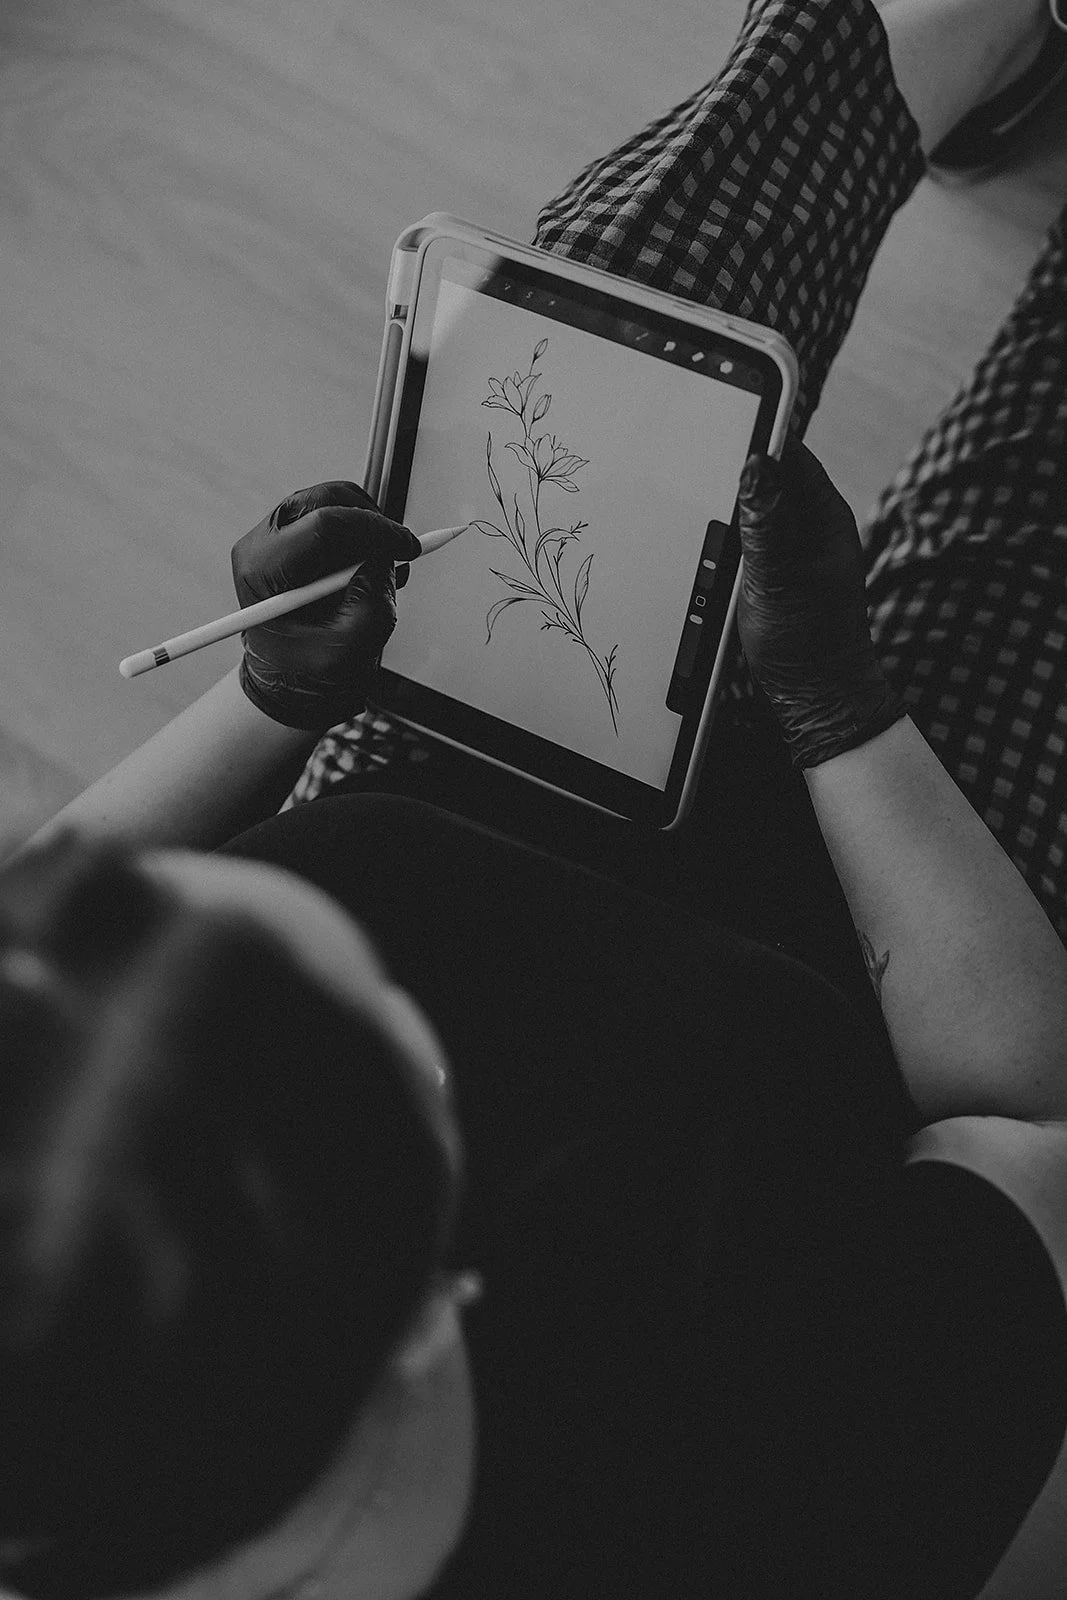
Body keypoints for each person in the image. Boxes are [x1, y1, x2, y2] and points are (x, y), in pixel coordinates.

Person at [2, 0, 1066, 1596]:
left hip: (463, 783)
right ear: (443, 1289)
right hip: (894, 1010)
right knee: (1026, 551)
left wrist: (269, 700)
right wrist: (842, 710)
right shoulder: (802, 1498)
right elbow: (1032, 1124)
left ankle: (923, 47)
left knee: (594, 336)